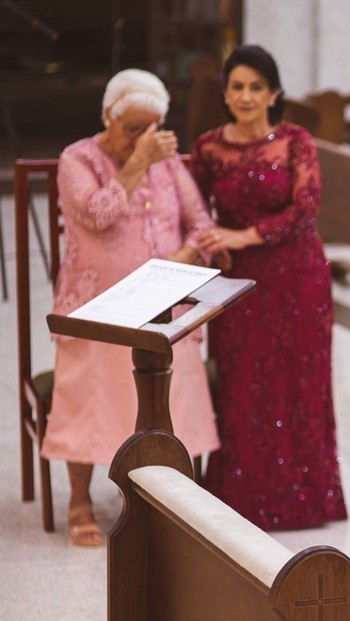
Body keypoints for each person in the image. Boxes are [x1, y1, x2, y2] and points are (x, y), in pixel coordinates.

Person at [42, 69, 220, 547]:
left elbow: (201, 222)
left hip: (163, 306)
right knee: (89, 395)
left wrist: (180, 260)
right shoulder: (76, 158)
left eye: (150, 128)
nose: (141, 139)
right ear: (107, 116)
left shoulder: (167, 162)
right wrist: (138, 162)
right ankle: (80, 500)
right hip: (96, 309)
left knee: (171, 384)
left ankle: (169, 500)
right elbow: (98, 215)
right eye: (131, 128)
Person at [192, 44, 347, 532]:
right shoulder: (209, 148)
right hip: (238, 285)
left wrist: (241, 235)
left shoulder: (296, 141)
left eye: (256, 87)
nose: (245, 95)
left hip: (296, 278)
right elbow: (193, 212)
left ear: (274, 93)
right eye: (237, 86)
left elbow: (305, 208)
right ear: (226, 92)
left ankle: (305, 500)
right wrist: (209, 245)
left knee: (299, 382)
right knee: (243, 381)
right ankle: (240, 498)